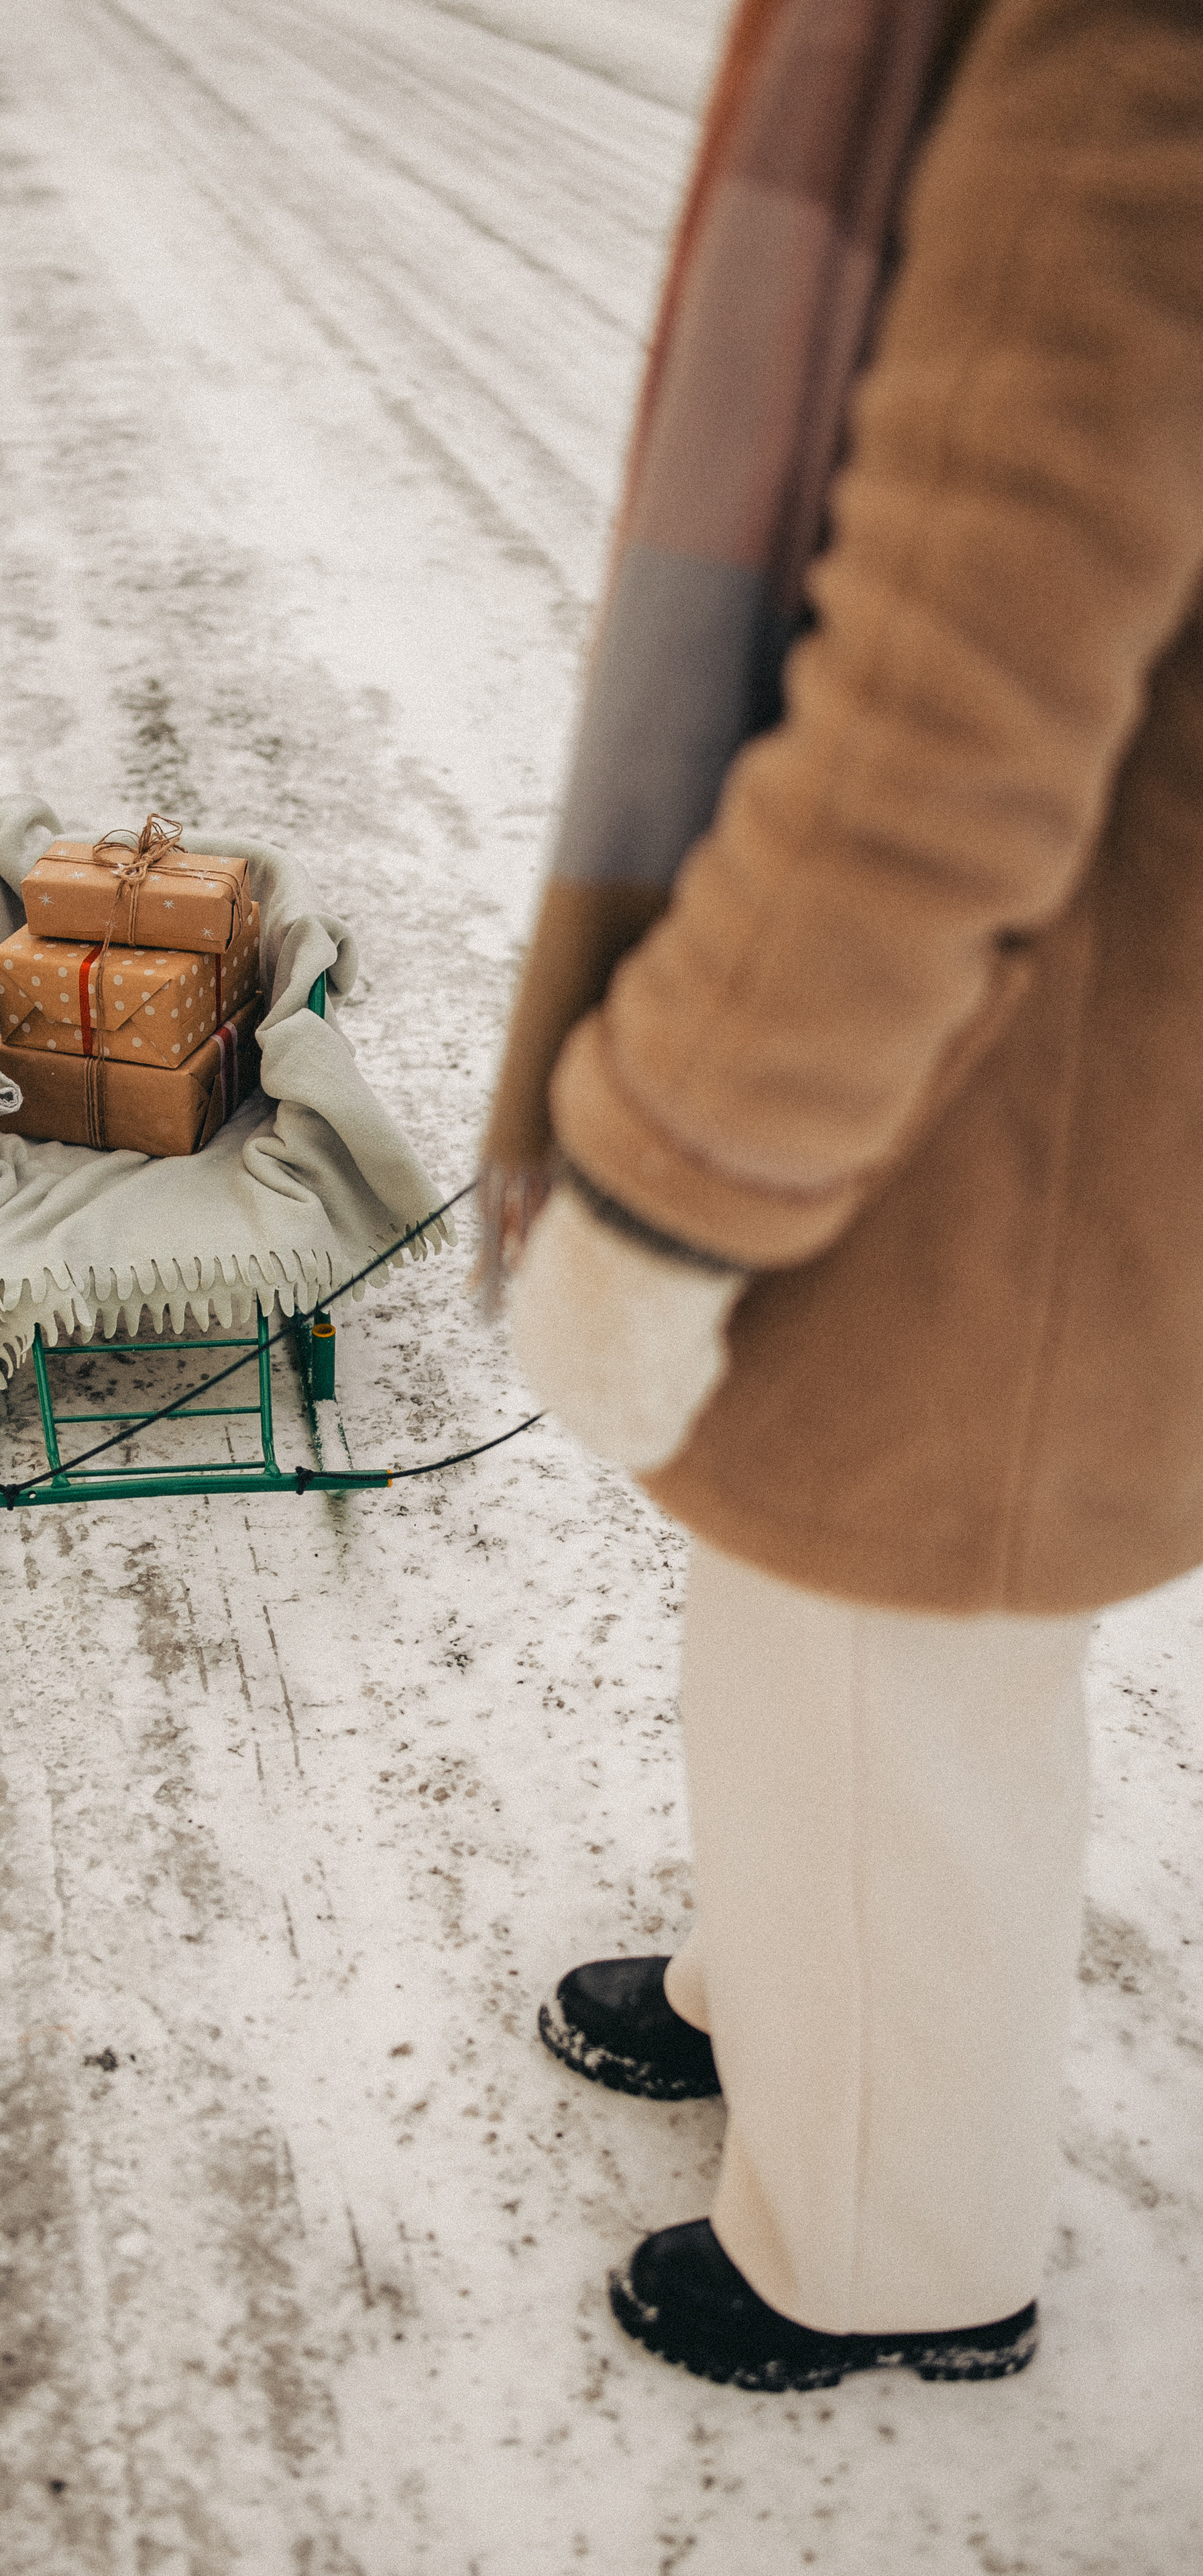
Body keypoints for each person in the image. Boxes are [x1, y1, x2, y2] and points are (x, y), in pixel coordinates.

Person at [480, 0, 1203, 2391]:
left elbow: (942, 715)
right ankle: (790, 1989)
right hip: (1013, 1043)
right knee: (810, 1627)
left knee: (904, 1663)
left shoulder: (1134, 52)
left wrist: (683, 1175)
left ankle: (894, 2242)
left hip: (1009, 1082)